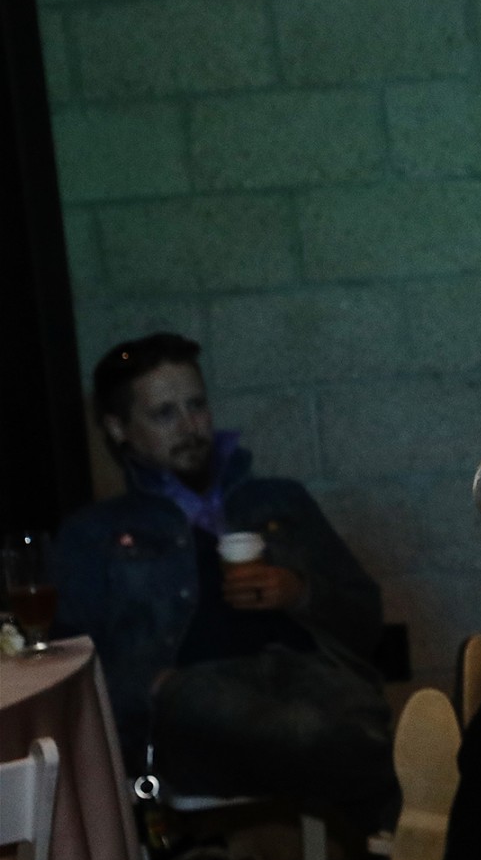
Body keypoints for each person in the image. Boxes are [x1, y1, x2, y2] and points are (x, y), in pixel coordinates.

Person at [52, 332, 394, 825]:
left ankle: (399, 792)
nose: (190, 426)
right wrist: (152, 686)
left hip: (302, 677)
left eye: (197, 405)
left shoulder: (277, 500)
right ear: (118, 428)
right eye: (164, 414)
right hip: (191, 699)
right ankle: (404, 799)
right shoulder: (95, 534)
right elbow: (69, 661)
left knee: (343, 709)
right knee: (323, 729)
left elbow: (366, 617)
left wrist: (299, 591)